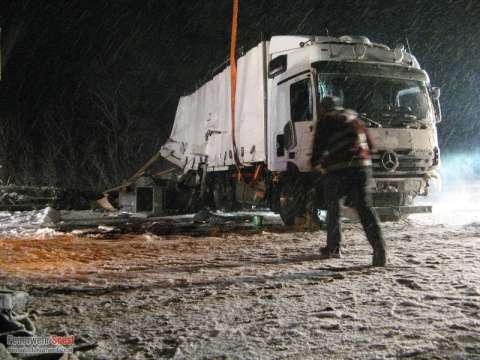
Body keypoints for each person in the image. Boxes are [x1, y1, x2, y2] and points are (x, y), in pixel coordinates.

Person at [311, 96, 387, 267]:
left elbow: (318, 148)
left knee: (333, 208)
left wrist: (315, 165)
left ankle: (333, 248)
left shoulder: (326, 120)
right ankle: (379, 251)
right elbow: (372, 146)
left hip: (339, 170)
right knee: (365, 209)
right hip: (361, 168)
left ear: (324, 108)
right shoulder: (354, 117)